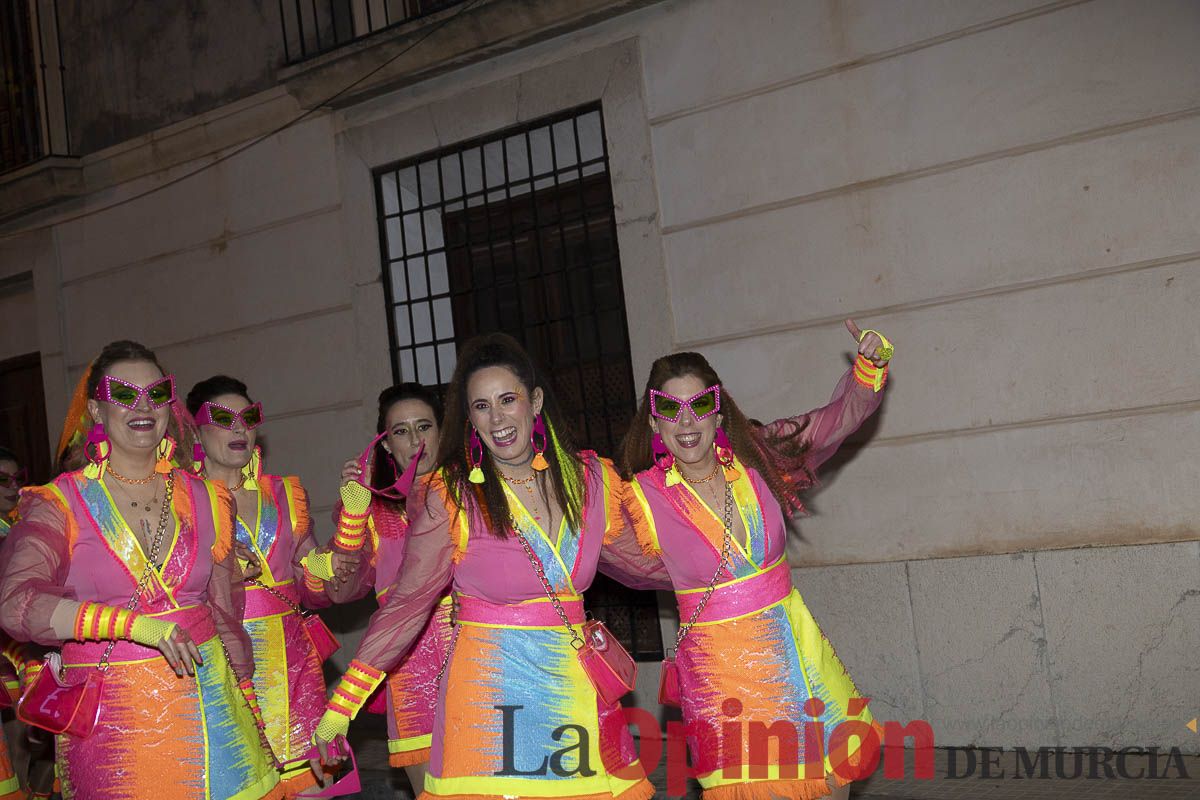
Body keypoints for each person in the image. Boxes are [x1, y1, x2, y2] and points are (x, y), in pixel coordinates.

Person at [312, 333, 665, 800]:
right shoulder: (452, 496)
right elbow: (406, 606)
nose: (496, 418)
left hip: (573, 694)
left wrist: (731, 561)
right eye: (481, 406)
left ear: (534, 402)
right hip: (488, 706)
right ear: (469, 419)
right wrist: (340, 708)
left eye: (507, 400)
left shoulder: (588, 482)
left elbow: (647, 564)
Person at [619, 320, 894, 800]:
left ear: (718, 411)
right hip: (724, 682)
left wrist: (869, 367)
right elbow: (574, 535)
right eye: (670, 409)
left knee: (830, 786)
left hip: (798, 662)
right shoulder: (640, 499)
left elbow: (836, 419)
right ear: (654, 422)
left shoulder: (761, 460)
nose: (687, 422)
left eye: (699, 405)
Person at [0, 340, 281, 800]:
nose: (144, 406)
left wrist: (251, 713)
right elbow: (17, 605)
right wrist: (131, 626)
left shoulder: (207, 497)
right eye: (125, 394)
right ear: (96, 409)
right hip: (115, 731)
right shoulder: (60, 503)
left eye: (157, 392)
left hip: (215, 718)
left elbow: (225, 617)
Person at [187, 375, 343, 797]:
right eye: (223, 419)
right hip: (222, 667)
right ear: (195, 432)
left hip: (294, 666)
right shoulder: (183, 502)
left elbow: (312, 575)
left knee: (313, 786)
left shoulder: (284, 494)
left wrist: (343, 543)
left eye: (248, 417)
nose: (239, 428)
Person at [330, 383, 451, 792]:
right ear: (385, 444)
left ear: (442, 431)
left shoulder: (472, 493)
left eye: (424, 426)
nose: (416, 440)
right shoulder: (373, 509)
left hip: (479, 663)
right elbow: (339, 588)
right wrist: (354, 507)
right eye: (401, 431)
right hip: (409, 673)